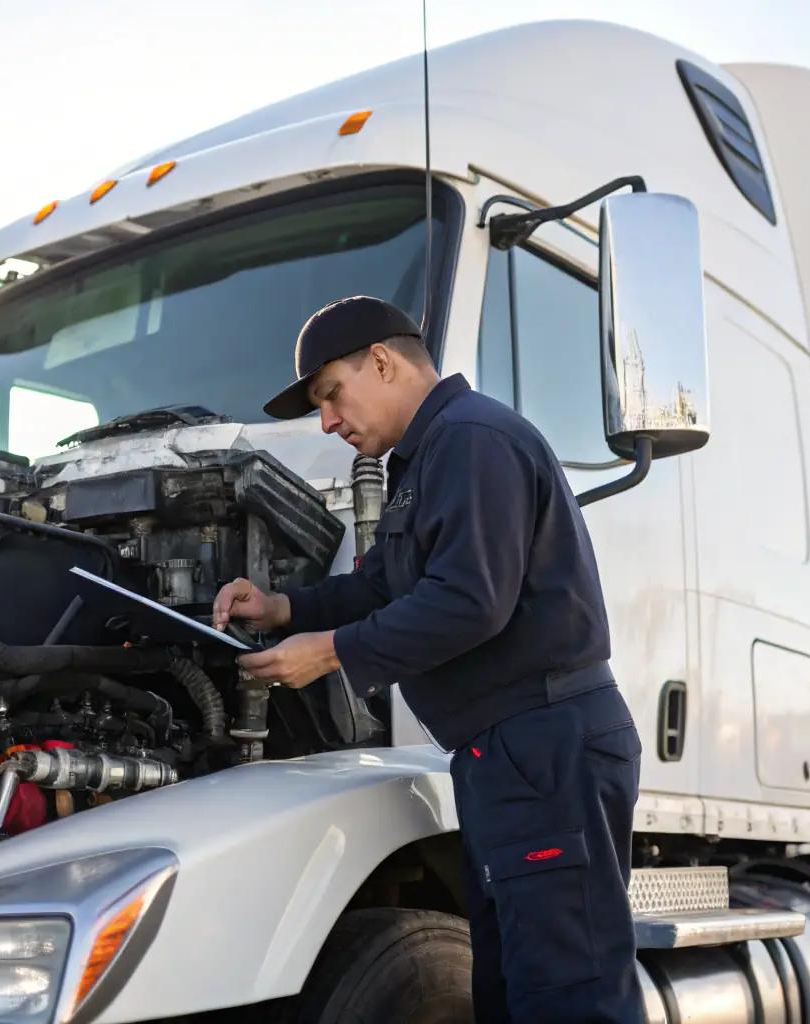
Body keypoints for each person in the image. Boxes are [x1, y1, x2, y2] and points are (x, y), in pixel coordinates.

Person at [212, 295, 645, 1022]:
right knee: (510, 995)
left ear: (380, 362)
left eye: (329, 395)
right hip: (505, 756)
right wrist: (285, 609)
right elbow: (385, 584)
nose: (326, 421)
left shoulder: (472, 440)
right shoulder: (429, 458)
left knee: (568, 998)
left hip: (541, 744)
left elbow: (471, 600)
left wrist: (329, 653)